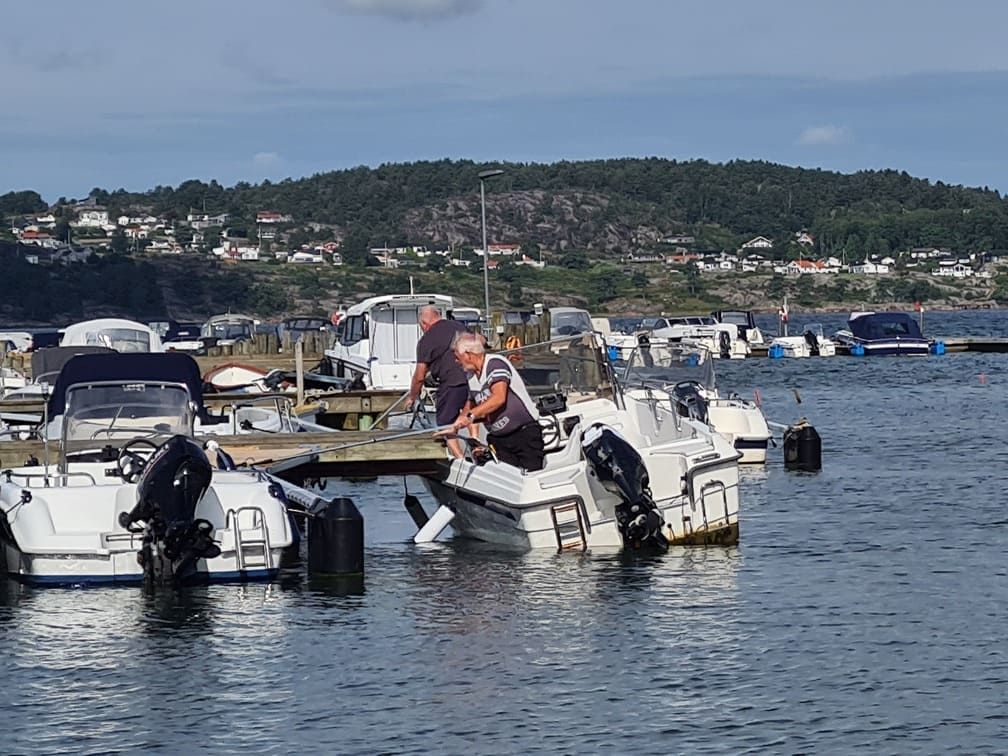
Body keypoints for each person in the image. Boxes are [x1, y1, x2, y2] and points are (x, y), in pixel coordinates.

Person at [448, 332, 545, 472]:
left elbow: (499, 398)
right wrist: (455, 426)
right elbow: (470, 405)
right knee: (508, 480)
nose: (456, 361)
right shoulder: (471, 377)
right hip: (499, 440)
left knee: (531, 476)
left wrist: (471, 416)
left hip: (523, 434)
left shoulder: (495, 364)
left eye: (457, 357)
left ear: (468, 354)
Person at [407, 305, 469, 458]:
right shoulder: (459, 326)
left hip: (451, 383)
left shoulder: (426, 340)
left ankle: (459, 458)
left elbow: (419, 376)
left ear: (424, 323)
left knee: (445, 423)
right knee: (472, 415)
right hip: (472, 378)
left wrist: (412, 397)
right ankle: (475, 444)